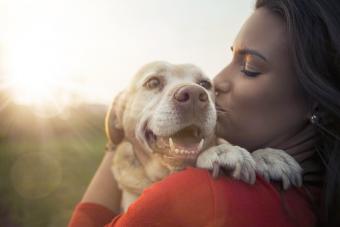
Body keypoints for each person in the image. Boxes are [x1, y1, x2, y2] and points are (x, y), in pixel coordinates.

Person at [69, 0, 340, 226]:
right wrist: (123, 127)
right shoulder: (319, 193)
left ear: (315, 99)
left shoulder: (205, 195)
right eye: (154, 83)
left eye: (250, 67)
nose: (214, 83)